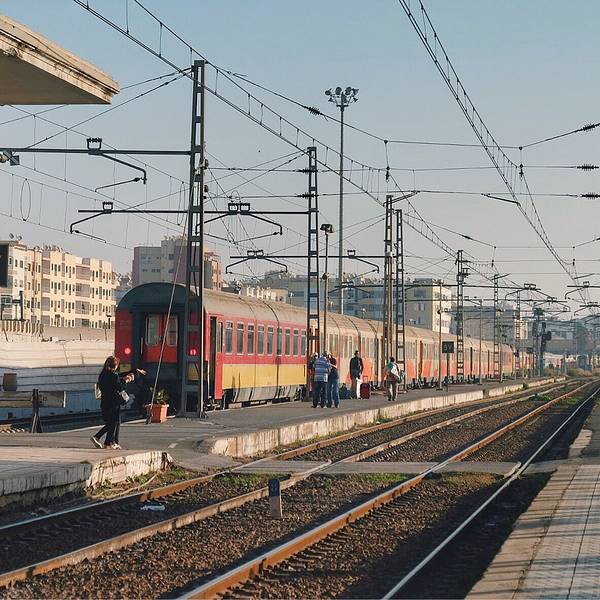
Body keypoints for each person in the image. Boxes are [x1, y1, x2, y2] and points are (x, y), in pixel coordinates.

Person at [91, 356, 145, 449]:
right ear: (115, 366)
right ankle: (101, 439)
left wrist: (134, 371)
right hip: (113, 402)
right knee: (113, 422)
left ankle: (110, 442)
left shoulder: (103, 374)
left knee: (114, 422)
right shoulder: (113, 376)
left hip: (105, 402)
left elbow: (119, 375)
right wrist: (127, 380)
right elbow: (120, 387)